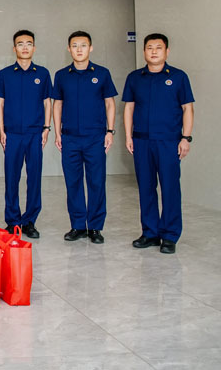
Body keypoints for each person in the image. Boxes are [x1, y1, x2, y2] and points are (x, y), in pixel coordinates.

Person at [122, 33, 194, 254]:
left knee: (170, 188)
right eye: (150, 48)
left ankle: (170, 235)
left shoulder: (179, 77)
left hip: (168, 142)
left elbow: (188, 108)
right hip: (141, 141)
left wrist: (186, 138)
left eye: (158, 48)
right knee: (146, 188)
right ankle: (150, 233)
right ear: (144, 51)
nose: (154, 51)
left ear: (167, 51)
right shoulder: (135, 78)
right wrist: (128, 136)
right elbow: (129, 108)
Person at [53, 31, 117, 244]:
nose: (79, 49)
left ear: (91, 48)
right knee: (73, 182)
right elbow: (57, 105)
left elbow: (109, 103)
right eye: (74, 45)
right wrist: (58, 132)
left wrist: (110, 131)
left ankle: (96, 227)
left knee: (96, 182)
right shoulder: (62, 75)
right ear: (68, 49)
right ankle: (78, 225)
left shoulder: (102, 73)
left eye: (83, 45)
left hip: (95, 137)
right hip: (70, 138)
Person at [0, 29, 52, 239]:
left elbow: (47, 103)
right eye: (20, 44)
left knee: (34, 178)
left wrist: (46, 128)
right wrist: (2, 131)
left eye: (28, 43)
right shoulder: (5, 74)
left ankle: (29, 221)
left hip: (35, 133)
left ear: (34, 48)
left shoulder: (42, 73)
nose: (25, 47)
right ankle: (13, 221)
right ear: (14, 48)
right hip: (12, 135)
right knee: (12, 178)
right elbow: (0, 104)